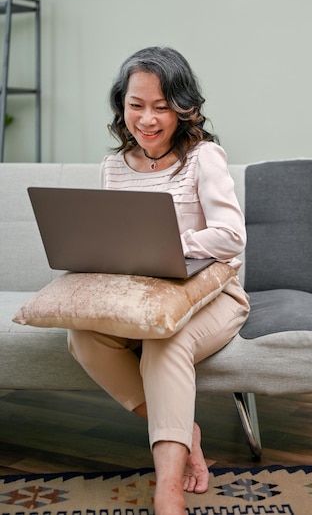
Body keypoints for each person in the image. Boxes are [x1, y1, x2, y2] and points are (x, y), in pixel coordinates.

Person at [67, 46, 250, 515]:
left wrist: (173, 242)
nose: (147, 119)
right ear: (121, 105)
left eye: (161, 106)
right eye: (136, 105)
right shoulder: (113, 167)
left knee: (165, 343)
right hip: (143, 298)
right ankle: (185, 432)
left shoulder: (203, 157)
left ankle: (167, 492)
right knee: (82, 336)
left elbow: (231, 237)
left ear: (183, 107)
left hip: (212, 294)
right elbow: (114, 236)